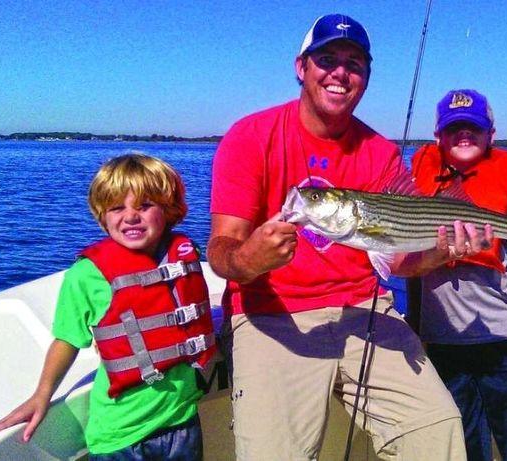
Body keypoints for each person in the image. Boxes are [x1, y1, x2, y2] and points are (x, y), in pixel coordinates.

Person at [208, 14, 490, 461]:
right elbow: (221, 252)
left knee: (439, 432)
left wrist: (439, 253)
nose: (341, 72)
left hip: (365, 308)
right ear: (302, 67)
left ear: (366, 78)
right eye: (327, 59)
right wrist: (248, 261)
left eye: (354, 63)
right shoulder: (250, 137)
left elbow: (397, 263)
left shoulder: (381, 153)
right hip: (271, 313)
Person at [0, 153, 216, 460]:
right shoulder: (86, 275)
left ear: (169, 209)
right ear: (102, 215)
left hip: (182, 421)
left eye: (144, 206)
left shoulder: (182, 256)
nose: (131, 216)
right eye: (117, 207)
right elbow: (67, 339)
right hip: (120, 437)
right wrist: (42, 395)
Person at [408, 89, 507, 460]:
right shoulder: (417, 195)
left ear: (492, 135)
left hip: (501, 341)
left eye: (474, 127)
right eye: (454, 128)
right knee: (464, 445)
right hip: (443, 343)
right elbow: (411, 270)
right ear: (438, 137)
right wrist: (416, 327)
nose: (464, 135)